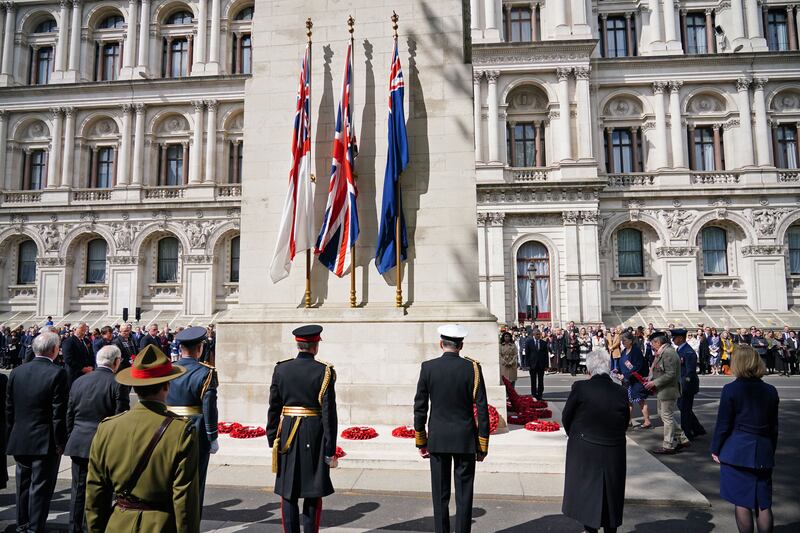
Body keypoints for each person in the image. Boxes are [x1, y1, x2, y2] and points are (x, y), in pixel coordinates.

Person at [85, 345, 200, 532]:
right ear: (167, 385)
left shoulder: (108, 428)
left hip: (117, 523)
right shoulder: (180, 432)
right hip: (160, 525)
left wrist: (96, 529)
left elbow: (95, 493)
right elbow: (185, 500)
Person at [414, 324, 490, 533]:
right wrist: (482, 444)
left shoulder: (428, 367)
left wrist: (421, 440)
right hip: (464, 439)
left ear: (441, 344)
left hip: (438, 439)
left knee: (440, 495)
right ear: (461, 345)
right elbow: (481, 408)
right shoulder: (472, 368)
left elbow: (420, 407)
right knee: (464, 495)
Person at [267, 325, 338, 533]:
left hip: (287, 431)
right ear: (315, 346)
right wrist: (329, 447)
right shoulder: (324, 371)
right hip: (314, 432)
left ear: (298, 345)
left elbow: (274, 407)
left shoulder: (281, 369)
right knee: (313, 490)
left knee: (288, 491)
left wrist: (272, 437)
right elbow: (328, 413)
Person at [711, 345, 779, 533]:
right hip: (763, 448)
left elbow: (723, 424)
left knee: (742, 501)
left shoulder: (731, 389)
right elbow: (774, 426)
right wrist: (770, 449)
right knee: (763, 502)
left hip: (737, 451)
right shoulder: (771, 390)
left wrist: (716, 448)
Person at [6, 330, 68, 532]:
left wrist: (11, 435)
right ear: (54, 350)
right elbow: (58, 413)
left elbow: (9, 409)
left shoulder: (17, 372)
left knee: (22, 486)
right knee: (40, 488)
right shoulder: (57, 373)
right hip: (45, 440)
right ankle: (35, 528)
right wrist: (61, 442)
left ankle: (22, 524)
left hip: (20, 437)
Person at [65, 345, 130, 533]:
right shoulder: (118, 382)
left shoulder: (79, 381)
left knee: (77, 490)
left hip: (79, 441)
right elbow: (120, 418)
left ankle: (74, 527)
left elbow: (70, 414)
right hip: (104, 444)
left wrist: (71, 436)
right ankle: (93, 527)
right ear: (116, 362)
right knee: (101, 491)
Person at [562, 350, 629, 533]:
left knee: (588, 496)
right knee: (611, 496)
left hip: (585, 448)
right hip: (613, 449)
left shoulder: (580, 387)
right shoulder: (621, 391)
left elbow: (567, 416)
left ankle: (590, 529)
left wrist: (575, 436)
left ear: (589, 369)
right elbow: (625, 421)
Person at [165, 326, 219, 514]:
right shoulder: (206, 372)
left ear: (180, 349)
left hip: (168, 428)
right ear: (200, 348)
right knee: (195, 481)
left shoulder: (168, 370)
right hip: (195, 430)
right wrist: (212, 436)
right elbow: (209, 407)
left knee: (169, 478)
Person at [646, 332, 689, 454]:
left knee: (667, 417)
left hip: (668, 390)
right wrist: (650, 379)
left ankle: (668, 445)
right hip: (664, 390)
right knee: (663, 414)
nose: (652, 346)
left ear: (658, 343)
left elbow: (671, 374)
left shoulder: (668, 353)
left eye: (652, 343)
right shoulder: (665, 352)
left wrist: (654, 383)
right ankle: (682, 438)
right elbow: (660, 371)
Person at [672, 328, 705, 440]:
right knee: (684, 407)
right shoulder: (680, 350)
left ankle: (687, 432)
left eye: (674, 338)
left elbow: (690, 371)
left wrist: (683, 385)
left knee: (684, 408)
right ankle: (697, 428)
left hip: (687, 384)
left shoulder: (688, 351)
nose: (673, 340)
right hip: (682, 383)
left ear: (680, 338)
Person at [619, 331, 651, 430]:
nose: (622, 342)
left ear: (630, 340)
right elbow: (622, 363)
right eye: (622, 340)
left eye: (624, 340)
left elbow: (638, 366)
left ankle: (647, 421)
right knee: (628, 402)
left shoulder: (636, 351)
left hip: (636, 380)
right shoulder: (624, 351)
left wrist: (626, 375)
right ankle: (628, 421)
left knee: (640, 400)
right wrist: (619, 371)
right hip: (627, 380)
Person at [62, 322, 94, 387]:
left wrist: (91, 367)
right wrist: (82, 368)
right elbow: (68, 359)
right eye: (82, 329)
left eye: (85, 330)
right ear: (75, 329)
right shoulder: (69, 341)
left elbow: (91, 355)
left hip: (87, 373)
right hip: (75, 374)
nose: (84, 332)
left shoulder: (86, 341)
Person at [524, 329, 549, 400]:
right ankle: (534, 394)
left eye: (539, 334)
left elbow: (545, 355)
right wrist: (527, 365)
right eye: (537, 334)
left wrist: (546, 365)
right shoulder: (529, 342)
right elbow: (527, 354)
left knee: (541, 381)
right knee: (533, 380)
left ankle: (540, 394)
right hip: (532, 365)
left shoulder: (543, 343)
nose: (538, 335)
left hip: (541, 365)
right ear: (533, 335)